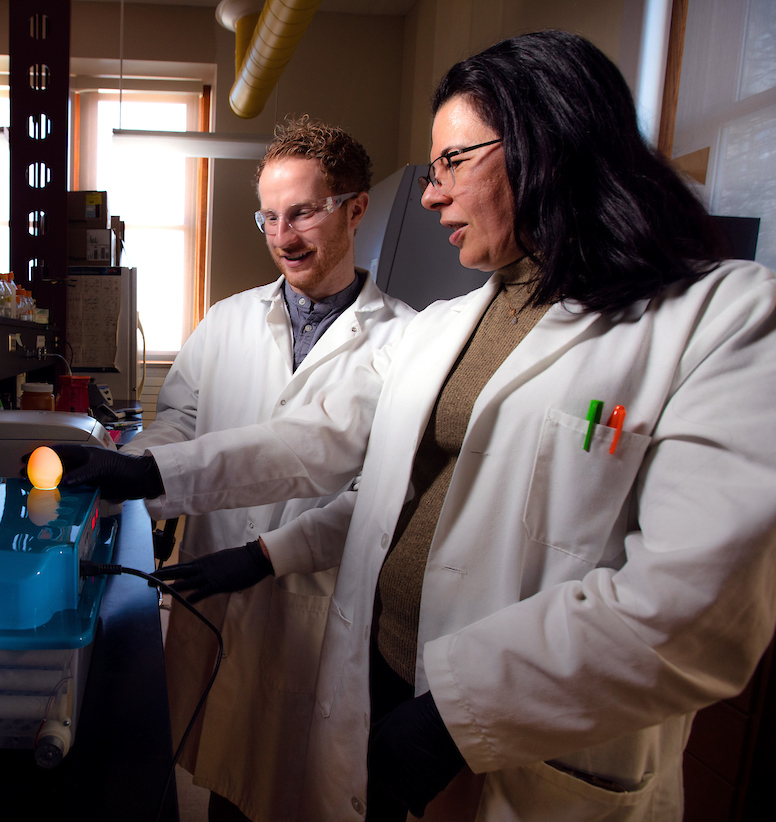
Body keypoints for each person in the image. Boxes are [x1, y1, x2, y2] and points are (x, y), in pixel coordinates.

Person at [57, 31, 776, 822]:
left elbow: (695, 610)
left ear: (547, 145)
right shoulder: (446, 325)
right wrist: (150, 473)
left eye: (451, 164)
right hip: (377, 683)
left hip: (520, 738)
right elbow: (323, 438)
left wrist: (454, 717)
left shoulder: (723, 316)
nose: (431, 195)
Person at [122, 118, 415, 822]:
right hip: (215, 587)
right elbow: (181, 426)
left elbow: (379, 496)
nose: (284, 236)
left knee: (300, 785)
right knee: (228, 772)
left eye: (304, 212)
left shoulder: (404, 340)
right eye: (270, 217)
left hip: (315, 606)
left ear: (355, 207)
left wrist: (266, 557)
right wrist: (126, 472)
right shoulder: (226, 321)